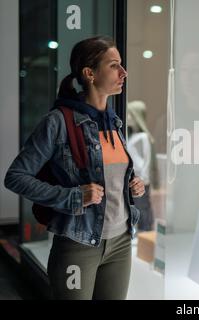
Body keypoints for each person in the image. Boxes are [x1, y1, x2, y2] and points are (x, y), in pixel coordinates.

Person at [4, 36, 146, 300]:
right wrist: (73, 196)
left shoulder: (113, 122)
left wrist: (131, 184)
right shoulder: (57, 122)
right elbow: (15, 177)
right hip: (77, 243)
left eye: (122, 65)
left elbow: (109, 173)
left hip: (121, 242)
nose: (123, 72)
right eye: (114, 65)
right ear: (90, 73)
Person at [127, 100, 159, 231]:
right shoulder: (133, 136)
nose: (128, 117)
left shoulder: (142, 137)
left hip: (140, 179)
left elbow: (146, 159)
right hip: (134, 179)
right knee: (137, 207)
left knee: (143, 207)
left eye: (130, 114)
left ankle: (146, 231)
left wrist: (143, 177)